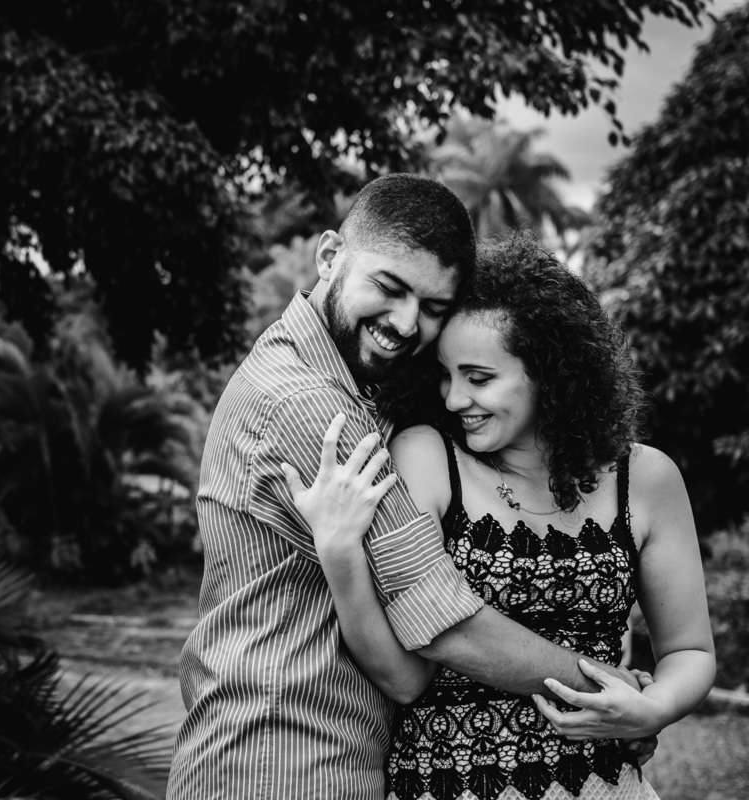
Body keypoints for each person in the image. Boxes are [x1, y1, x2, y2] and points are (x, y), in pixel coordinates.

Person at [167, 175, 655, 800]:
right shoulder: (311, 407)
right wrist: (620, 694)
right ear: (329, 257)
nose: (405, 323)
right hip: (281, 756)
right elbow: (442, 622)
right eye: (390, 288)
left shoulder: (335, 377)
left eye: (432, 308)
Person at [285, 230, 715, 799]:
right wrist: (339, 553)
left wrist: (651, 709)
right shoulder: (427, 459)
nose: (454, 399)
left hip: (602, 786)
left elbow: (690, 650)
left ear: (550, 372)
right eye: (444, 374)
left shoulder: (646, 479)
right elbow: (400, 672)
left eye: (479, 378)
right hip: (445, 785)